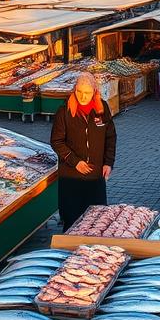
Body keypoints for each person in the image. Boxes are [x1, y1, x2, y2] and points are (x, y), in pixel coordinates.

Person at [51, 73, 116, 230]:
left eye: (87, 92)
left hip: (95, 176)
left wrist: (108, 162)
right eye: (79, 92)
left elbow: (110, 137)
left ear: (94, 91)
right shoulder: (64, 111)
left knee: (97, 221)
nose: (83, 96)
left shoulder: (102, 109)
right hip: (71, 177)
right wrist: (75, 162)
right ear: (75, 90)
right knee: (72, 221)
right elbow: (57, 141)